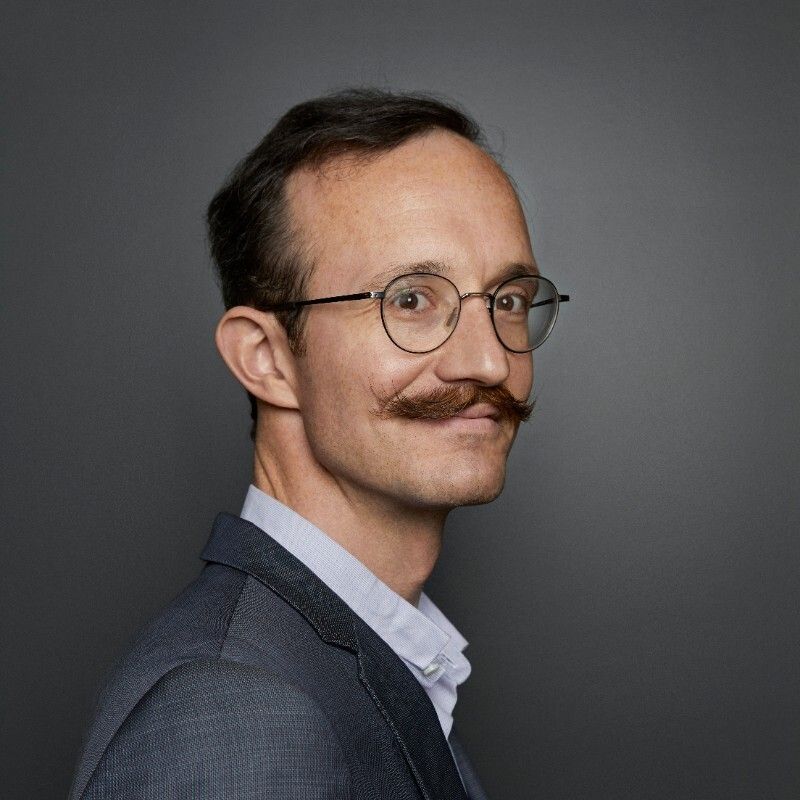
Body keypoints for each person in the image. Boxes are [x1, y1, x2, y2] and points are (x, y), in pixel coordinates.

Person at [68, 88, 569, 800]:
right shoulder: (235, 717)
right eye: (410, 299)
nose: (490, 362)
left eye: (508, 301)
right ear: (267, 359)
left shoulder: (365, 664)